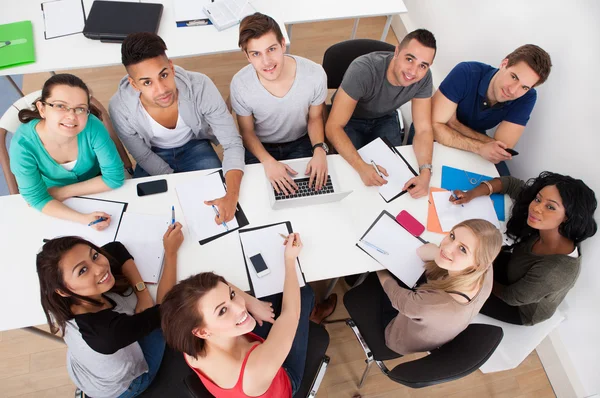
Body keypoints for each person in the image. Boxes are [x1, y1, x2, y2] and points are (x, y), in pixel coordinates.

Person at [109, 32, 244, 223]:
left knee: (215, 209)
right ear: (133, 84)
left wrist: (231, 196)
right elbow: (143, 156)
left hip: (195, 146)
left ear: (171, 67)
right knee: (148, 214)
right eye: (147, 82)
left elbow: (232, 143)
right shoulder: (119, 107)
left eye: (163, 75)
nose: (162, 89)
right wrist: (177, 185)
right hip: (153, 154)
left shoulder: (200, 86)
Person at [36, 223, 184, 398]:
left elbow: (116, 248)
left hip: (87, 373)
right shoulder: (108, 332)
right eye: (83, 270)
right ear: (62, 290)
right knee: (165, 326)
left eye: (95, 255)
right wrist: (171, 253)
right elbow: (165, 310)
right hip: (126, 385)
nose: (100, 268)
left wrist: (143, 293)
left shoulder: (61, 299)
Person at [161, 233, 313, 397]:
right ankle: (314, 316)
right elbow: (290, 313)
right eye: (222, 310)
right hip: (283, 379)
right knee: (304, 293)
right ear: (202, 332)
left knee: (270, 288)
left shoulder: (190, 337)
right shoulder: (256, 370)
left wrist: (252, 303)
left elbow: (219, 283)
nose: (241, 307)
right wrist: (290, 260)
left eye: (232, 295)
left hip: (247, 350)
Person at [451, 172, 597, 325]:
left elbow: (511, 297)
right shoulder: (547, 226)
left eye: (550, 207)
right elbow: (511, 184)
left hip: (518, 307)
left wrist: (475, 274)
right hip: (512, 270)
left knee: (447, 280)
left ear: (568, 216)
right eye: (538, 199)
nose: (536, 208)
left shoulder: (555, 271)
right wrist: (472, 194)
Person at [325, 29, 437, 199]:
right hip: (350, 119)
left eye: (423, 65)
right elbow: (333, 127)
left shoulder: (424, 78)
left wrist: (426, 172)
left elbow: (423, 129)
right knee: (353, 179)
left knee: (394, 179)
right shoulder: (363, 69)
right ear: (397, 51)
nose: (413, 72)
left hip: (384, 117)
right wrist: (361, 166)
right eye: (409, 59)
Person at [9, 74, 125, 229]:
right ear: (42, 108)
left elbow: (115, 177)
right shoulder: (22, 145)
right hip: (53, 203)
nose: (71, 116)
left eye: (80, 109)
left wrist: (62, 192)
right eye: (60, 106)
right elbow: (36, 199)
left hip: (89, 190)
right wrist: (84, 219)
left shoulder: (92, 126)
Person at [230, 13, 329, 195]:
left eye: (272, 49)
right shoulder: (240, 84)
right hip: (260, 147)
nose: (267, 62)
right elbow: (247, 132)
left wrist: (319, 149)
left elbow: (315, 118)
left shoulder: (315, 74)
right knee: (256, 197)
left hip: (300, 141)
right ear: (247, 56)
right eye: (256, 54)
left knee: (310, 192)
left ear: (283, 44)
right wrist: (268, 162)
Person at [374, 219, 502, 354]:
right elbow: (428, 252)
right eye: (452, 236)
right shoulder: (485, 271)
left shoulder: (431, 304)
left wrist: (377, 266)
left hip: (397, 336)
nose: (446, 248)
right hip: (429, 325)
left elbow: (397, 296)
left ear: (479, 264)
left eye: (463, 249)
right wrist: (436, 253)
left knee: (372, 281)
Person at [432, 44, 552, 176]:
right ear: (504, 64)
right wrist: (480, 147)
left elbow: (502, 148)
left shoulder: (527, 97)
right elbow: (435, 126)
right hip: (435, 135)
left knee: (501, 181)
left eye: (524, 87)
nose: (512, 91)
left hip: (471, 141)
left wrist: (455, 124)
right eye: (513, 77)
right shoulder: (466, 72)